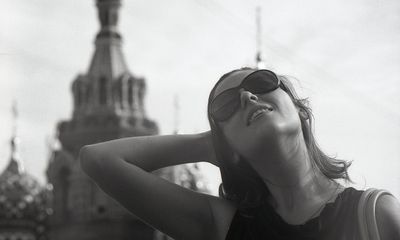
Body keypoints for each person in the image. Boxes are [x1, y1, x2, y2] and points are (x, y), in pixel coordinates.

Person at [80, 67, 400, 240]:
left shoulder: (374, 215)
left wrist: (229, 134)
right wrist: (211, 144)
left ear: (300, 111)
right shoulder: (225, 226)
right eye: (226, 106)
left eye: (260, 82)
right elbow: (99, 160)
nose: (247, 95)